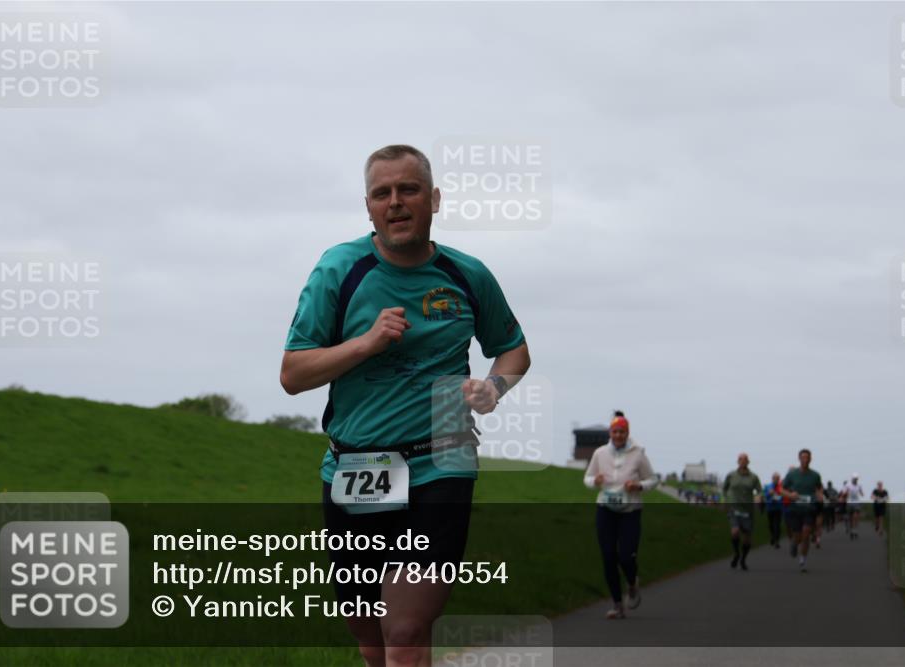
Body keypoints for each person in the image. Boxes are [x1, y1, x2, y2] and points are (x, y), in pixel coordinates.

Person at [280, 144, 531, 667]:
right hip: (356, 467)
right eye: (382, 193)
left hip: (442, 459)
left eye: (408, 190)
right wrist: (366, 344)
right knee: (371, 638)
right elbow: (293, 375)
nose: (395, 202)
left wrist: (493, 388)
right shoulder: (339, 269)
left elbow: (513, 350)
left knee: (406, 633)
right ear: (368, 207)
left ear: (433, 199)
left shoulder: (467, 274)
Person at [584, 411, 658, 619]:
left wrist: (638, 485)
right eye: (615, 431)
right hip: (605, 509)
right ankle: (617, 604)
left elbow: (653, 480)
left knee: (626, 556)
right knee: (608, 556)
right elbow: (587, 478)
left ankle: (632, 583)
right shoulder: (600, 453)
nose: (618, 435)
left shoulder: (638, 454)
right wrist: (595, 481)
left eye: (622, 432)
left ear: (627, 433)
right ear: (610, 433)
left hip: (630, 511)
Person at [782, 449, 824, 573]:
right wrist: (790, 495)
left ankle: (803, 559)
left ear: (810, 459)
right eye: (803, 457)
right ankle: (794, 543)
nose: (805, 459)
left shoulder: (815, 475)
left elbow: (819, 488)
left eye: (807, 457)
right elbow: (782, 489)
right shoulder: (792, 474)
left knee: (806, 533)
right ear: (799, 459)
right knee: (797, 535)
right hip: (795, 509)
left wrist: (820, 495)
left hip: (809, 508)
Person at [722, 453, 762, 570]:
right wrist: (725, 501)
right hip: (734, 508)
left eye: (745, 459)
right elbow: (724, 489)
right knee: (735, 531)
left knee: (747, 539)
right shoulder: (731, 475)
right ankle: (736, 554)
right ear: (738, 461)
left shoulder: (753, 477)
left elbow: (759, 491)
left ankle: (743, 559)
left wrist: (758, 497)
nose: (743, 461)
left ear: (748, 462)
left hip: (748, 511)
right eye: (740, 459)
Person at [762, 472, 784, 548]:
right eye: (775, 478)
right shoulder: (768, 486)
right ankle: (772, 536)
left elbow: (783, 496)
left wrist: (778, 498)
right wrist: (769, 494)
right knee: (771, 524)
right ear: (772, 478)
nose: (776, 480)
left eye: (777, 478)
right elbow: (764, 495)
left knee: (777, 525)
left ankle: (777, 541)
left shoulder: (781, 487)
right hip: (770, 508)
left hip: (778, 508)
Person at [845, 474, 865, 540]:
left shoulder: (859, 485)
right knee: (851, 518)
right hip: (850, 503)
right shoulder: (848, 485)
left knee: (855, 517)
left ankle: (854, 530)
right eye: (854, 479)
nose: (855, 480)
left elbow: (862, 493)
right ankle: (852, 529)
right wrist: (846, 494)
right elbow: (845, 493)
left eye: (856, 479)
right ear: (852, 479)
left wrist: (862, 494)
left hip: (856, 503)